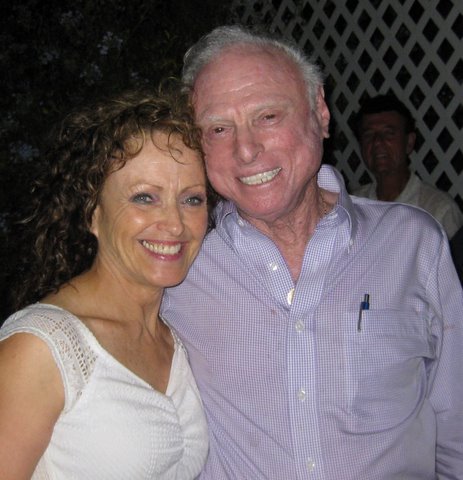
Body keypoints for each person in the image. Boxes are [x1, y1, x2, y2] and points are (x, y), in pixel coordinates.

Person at [161, 25, 463, 479]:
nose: (246, 150)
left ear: (320, 112)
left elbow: (456, 427)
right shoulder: (178, 269)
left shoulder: (414, 244)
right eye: (219, 128)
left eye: (268, 116)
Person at [0, 88, 210, 479]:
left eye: (192, 199)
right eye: (144, 197)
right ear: (92, 213)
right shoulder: (41, 348)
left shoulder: (175, 339)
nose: (175, 224)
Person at [352, 94, 463, 238]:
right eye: (368, 135)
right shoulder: (353, 205)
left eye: (388, 133)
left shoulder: (438, 210)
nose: (377, 142)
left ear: (409, 142)